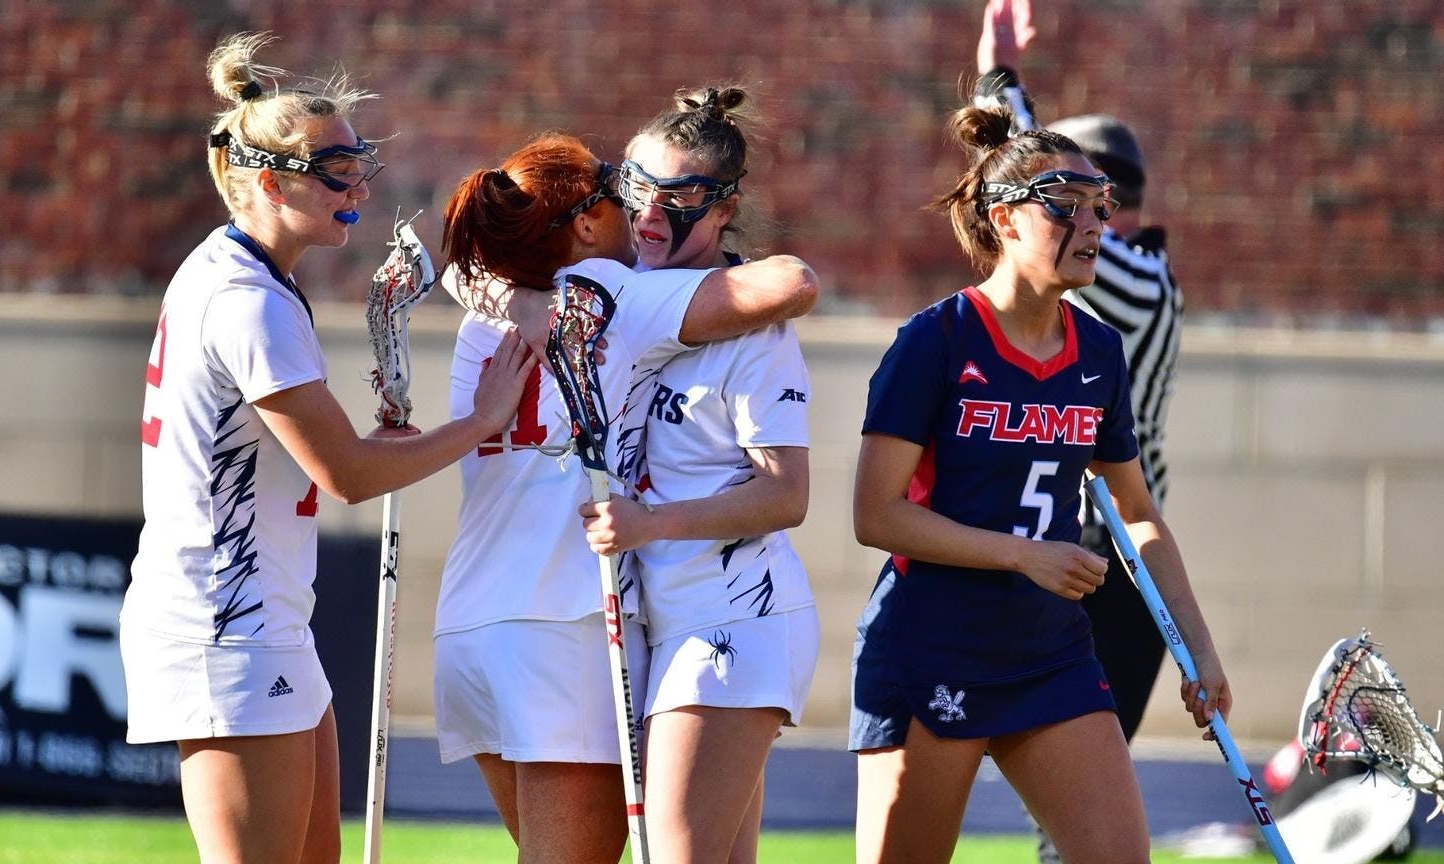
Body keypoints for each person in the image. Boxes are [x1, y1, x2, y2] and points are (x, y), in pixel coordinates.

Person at [119, 32, 534, 864]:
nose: (358, 186)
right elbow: (343, 475)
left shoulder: (253, 277)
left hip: (271, 616)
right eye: (335, 169)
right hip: (225, 624)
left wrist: (386, 439)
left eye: (358, 161)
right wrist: (478, 425)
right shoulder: (247, 301)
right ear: (268, 182)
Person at [848, 97, 1229, 863]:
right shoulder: (935, 340)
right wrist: (1023, 555)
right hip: (933, 644)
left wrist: (1201, 650)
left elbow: (1138, 513)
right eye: (1067, 205)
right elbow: (876, 515)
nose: (1093, 224)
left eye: (1102, 205)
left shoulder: (1100, 351)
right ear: (1005, 219)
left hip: (1048, 651)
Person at [433, 131, 819, 863]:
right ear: (582, 225)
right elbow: (794, 283)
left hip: (470, 627)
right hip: (560, 621)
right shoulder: (618, 294)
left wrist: (503, 290)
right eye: (622, 192)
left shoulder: (481, 306)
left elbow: (466, 269)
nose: (638, 210)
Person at [577, 86, 819, 863]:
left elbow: (787, 494)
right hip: (665, 615)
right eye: (635, 189)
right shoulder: (634, 293)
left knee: (668, 855)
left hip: (736, 616)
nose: (648, 215)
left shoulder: (754, 331)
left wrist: (652, 524)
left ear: (722, 210)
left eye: (676, 198)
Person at [972, 2, 1187, 859]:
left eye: (1074, 199)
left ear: (1108, 205)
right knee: (1060, 823)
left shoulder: (1137, 285)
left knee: (1080, 826)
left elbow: (1020, 163)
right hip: (1065, 558)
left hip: (1117, 576)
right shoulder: (1101, 287)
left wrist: (1001, 78)